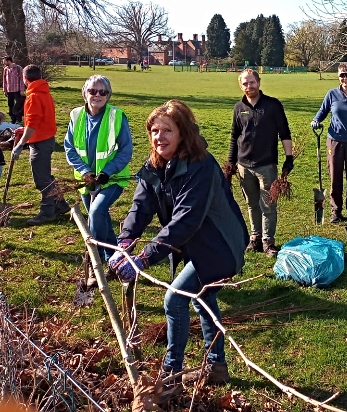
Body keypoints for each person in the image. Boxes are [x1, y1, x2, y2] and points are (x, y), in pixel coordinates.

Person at [108, 100, 249, 404]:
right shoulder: (155, 165)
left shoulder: (201, 166)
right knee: (204, 299)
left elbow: (185, 220)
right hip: (197, 247)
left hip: (220, 245)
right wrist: (125, 241)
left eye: (167, 130)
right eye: (154, 131)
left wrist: (145, 257)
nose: (159, 137)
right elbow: (141, 205)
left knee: (175, 299)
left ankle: (172, 374)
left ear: (182, 133)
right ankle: (216, 367)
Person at [64, 75, 133, 287]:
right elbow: (70, 148)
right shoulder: (76, 115)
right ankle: (117, 261)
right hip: (86, 182)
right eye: (93, 91)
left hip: (112, 179)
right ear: (84, 93)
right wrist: (85, 171)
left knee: (96, 213)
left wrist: (107, 172)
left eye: (103, 92)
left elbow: (126, 150)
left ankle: (95, 267)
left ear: (108, 95)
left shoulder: (117, 116)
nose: (97, 95)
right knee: (101, 222)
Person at [225, 68, 293, 257]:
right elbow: (234, 136)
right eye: (245, 83)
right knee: (251, 203)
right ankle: (254, 238)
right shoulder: (239, 107)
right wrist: (231, 163)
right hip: (243, 165)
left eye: (252, 82)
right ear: (241, 85)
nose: (249, 86)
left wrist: (289, 158)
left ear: (259, 82)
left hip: (266, 165)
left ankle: (268, 242)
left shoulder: (272, 105)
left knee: (268, 205)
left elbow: (284, 133)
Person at [10, 64, 69, 225]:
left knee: (41, 180)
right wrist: (25, 130)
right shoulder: (45, 93)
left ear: (25, 79)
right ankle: (60, 205)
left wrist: (20, 144)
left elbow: (33, 124)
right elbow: (37, 121)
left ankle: (47, 212)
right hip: (47, 138)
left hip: (40, 142)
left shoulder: (34, 96)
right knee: (46, 176)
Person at [311, 63, 347, 224]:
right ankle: (335, 211)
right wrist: (316, 120)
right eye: (342, 75)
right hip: (335, 142)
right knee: (335, 178)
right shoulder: (332, 94)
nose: (345, 78)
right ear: (338, 76)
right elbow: (322, 111)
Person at [3, 56, 25, 124]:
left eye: (4, 61)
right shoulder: (6, 69)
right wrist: (5, 89)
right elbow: (4, 80)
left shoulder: (18, 68)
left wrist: (22, 89)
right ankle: (13, 119)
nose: (3, 62)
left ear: (9, 61)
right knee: (10, 105)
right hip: (9, 90)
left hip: (17, 90)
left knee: (19, 104)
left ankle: (19, 118)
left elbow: (22, 79)